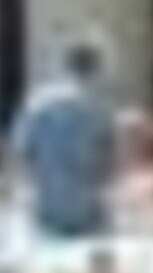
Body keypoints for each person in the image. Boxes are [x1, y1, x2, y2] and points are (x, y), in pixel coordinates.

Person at [7, 27, 122, 243]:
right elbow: (110, 162)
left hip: (46, 211)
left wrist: (29, 190)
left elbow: (19, 154)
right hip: (87, 213)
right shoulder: (100, 108)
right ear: (98, 68)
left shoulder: (38, 103)